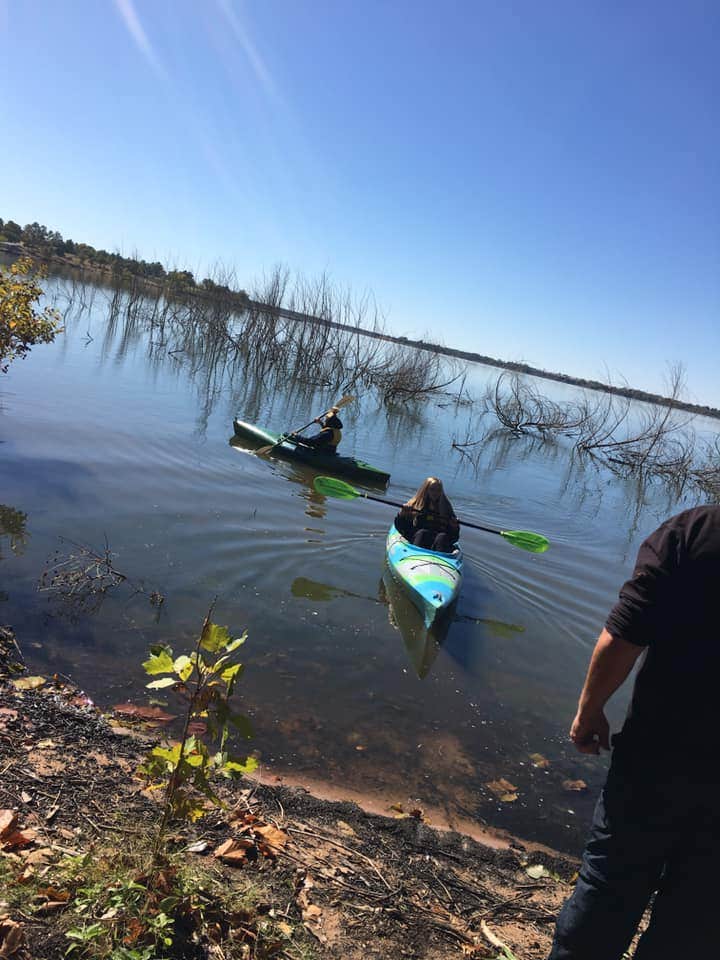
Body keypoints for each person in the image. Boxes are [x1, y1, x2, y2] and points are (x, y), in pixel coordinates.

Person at [548, 504, 720, 960]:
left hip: (656, 762)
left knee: (606, 894)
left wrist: (590, 711)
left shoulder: (694, 531)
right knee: (695, 924)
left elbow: (622, 638)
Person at [394, 477, 460, 553]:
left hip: (438, 543)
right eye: (432, 489)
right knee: (423, 533)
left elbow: (454, 537)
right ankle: (414, 554)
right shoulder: (415, 505)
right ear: (425, 490)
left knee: (442, 537)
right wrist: (402, 514)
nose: (435, 493)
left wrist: (454, 527)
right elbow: (402, 528)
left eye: (438, 490)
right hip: (418, 538)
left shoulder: (447, 508)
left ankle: (439, 559)